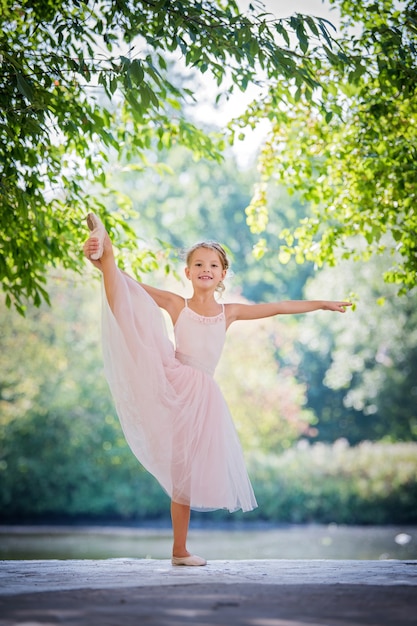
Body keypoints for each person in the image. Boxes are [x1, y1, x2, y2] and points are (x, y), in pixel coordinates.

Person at [83, 212, 351, 566]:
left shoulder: (230, 313)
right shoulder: (177, 304)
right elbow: (131, 287)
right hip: (173, 382)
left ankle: (180, 551)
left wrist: (322, 304)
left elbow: (280, 307)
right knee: (132, 315)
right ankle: (105, 246)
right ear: (188, 272)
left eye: (212, 264)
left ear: (223, 274)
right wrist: (105, 267)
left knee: (186, 476)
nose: (205, 269)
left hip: (202, 398)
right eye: (198, 264)